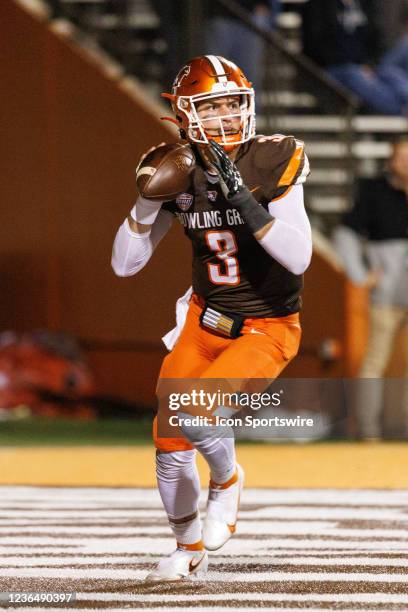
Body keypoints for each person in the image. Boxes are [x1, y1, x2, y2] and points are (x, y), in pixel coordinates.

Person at [111, 55, 312, 581]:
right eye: (211, 105)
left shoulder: (273, 158)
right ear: (184, 113)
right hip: (203, 324)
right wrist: (147, 204)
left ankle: (226, 480)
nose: (225, 116)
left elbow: (298, 257)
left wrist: (242, 197)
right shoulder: (179, 169)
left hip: (266, 326)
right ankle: (187, 547)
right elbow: (125, 265)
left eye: (231, 104)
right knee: (169, 438)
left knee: (199, 418)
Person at [333, 138, 408, 439]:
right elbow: (346, 232)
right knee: (374, 361)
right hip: (386, 295)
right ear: (391, 161)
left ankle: (400, 428)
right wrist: (360, 274)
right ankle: (367, 430)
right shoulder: (375, 191)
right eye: (402, 157)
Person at [301, 0, 408, 116]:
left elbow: (377, 41)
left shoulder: (365, 4)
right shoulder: (318, 5)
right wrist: (356, 67)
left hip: (364, 67)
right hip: (330, 70)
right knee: (354, 75)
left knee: (392, 73)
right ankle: (399, 110)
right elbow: (314, 46)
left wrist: (369, 65)